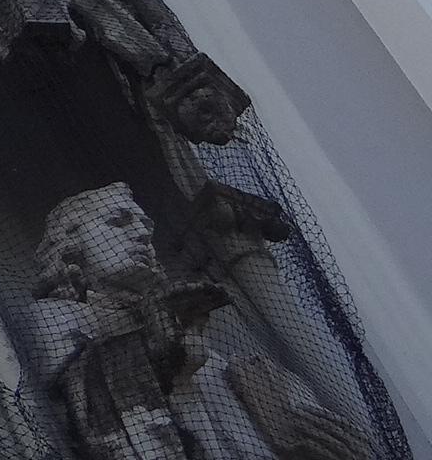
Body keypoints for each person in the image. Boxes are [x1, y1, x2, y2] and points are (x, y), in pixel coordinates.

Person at [30, 184, 371, 460]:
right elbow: (78, 402)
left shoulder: (206, 349)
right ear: (72, 249)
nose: (141, 235)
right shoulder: (60, 313)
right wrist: (155, 351)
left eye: (145, 226)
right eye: (119, 223)